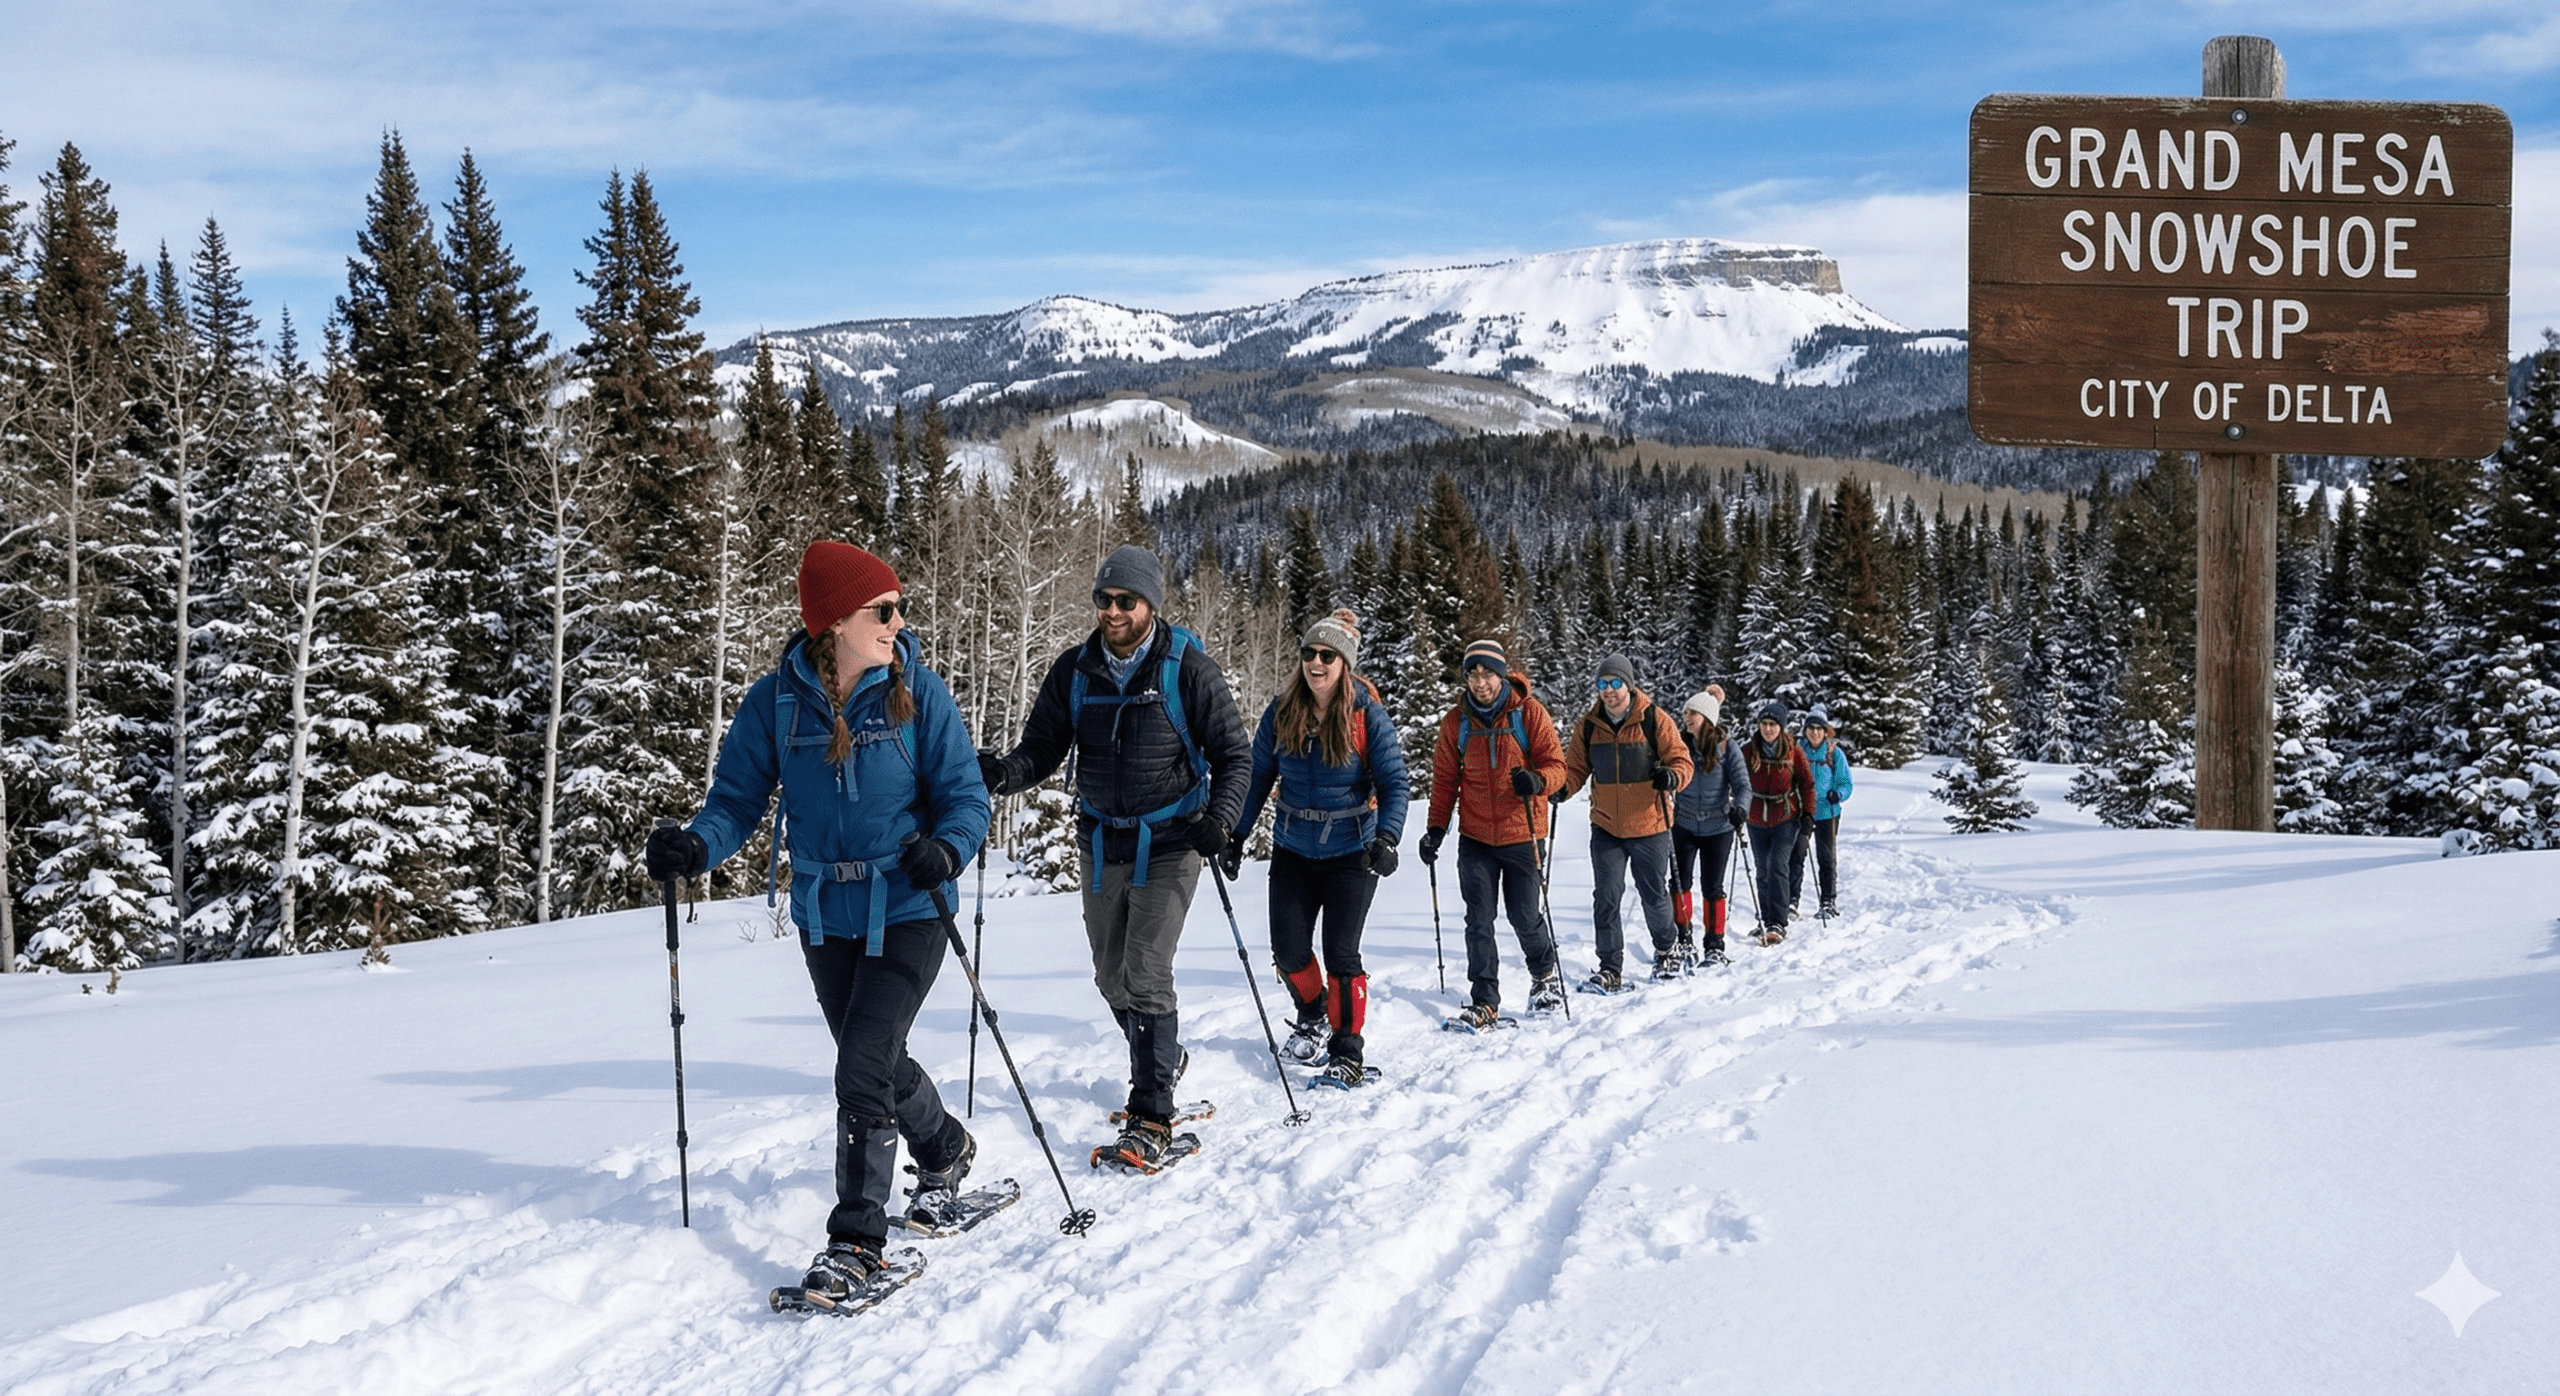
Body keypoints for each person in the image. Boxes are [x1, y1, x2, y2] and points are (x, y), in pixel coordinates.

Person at [643, 541, 990, 1305]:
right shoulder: (776, 703)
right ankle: (945, 1148)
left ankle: (857, 1244)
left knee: (862, 1062)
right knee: (875, 1058)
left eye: (899, 608)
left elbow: (968, 796)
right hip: (824, 913)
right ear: (835, 621)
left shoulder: (918, 694)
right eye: (884, 610)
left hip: (908, 904)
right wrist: (696, 845)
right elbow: (736, 801)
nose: (899, 622)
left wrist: (947, 848)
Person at [978, 545, 1250, 1169]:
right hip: (1102, 840)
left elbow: (1237, 756)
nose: (1112, 611)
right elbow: (1042, 749)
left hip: (1174, 839)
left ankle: (1151, 1113)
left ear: (1151, 604)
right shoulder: (1074, 671)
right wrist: (1003, 774)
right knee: (1110, 974)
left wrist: (1222, 821)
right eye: (1103, 600)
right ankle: (1163, 1053)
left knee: (1147, 971)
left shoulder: (1188, 670)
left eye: (1125, 601)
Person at [1226, 609, 1408, 1087]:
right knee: (1288, 951)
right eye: (1309, 653)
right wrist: (1236, 833)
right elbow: (1257, 775)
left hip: (1353, 852)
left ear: (1344, 663)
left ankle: (1347, 1051)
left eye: (1328, 655)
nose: (1317, 662)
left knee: (1341, 953)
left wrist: (1387, 837)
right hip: (1292, 848)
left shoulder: (1366, 715)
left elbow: (1394, 783)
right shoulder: (1283, 710)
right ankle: (1312, 1013)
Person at [1420, 639, 1569, 1027]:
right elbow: (1444, 781)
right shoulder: (1457, 722)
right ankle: (1484, 1000)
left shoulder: (1528, 713)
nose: (1480, 682)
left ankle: (1544, 976)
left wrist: (1536, 781)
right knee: (1478, 921)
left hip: (1523, 832)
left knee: (1524, 916)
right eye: (1473, 674)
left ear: (1502, 675)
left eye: (1487, 673)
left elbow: (1558, 767)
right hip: (1476, 838)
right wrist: (1436, 828)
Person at [1554, 653, 1691, 989]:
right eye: (1603, 684)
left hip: (1649, 824)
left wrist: (1672, 777)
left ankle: (1667, 950)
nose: (1609, 690)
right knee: (1606, 897)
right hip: (1606, 826)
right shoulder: (1588, 726)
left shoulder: (1654, 719)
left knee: (1653, 894)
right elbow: (1574, 769)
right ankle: (1610, 967)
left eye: (1616, 683)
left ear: (1629, 685)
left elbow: (1681, 759)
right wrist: (1561, 789)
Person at [1669, 685, 1751, 969]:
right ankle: (1683, 939)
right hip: (1683, 824)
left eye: (1692, 713)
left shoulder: (1728, 747)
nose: (1687, 717)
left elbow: (1742, 784)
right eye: (1686, 713)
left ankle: (1714, 944)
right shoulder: (1678, 744)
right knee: (1680, 883)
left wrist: (1741, 807)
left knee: (1712, 887)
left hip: (1719, 827)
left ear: (1706, 716)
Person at [1740, 700, 1816, 945]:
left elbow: (1807, 784)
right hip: (1755, 817)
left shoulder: (1793, 750)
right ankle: (1765, 918)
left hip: (1786, 816)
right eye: (1764, 723)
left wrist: (1809, 815)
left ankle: (1778, 922)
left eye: (1773, 724)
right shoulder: (1748, 750)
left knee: (1778, 866)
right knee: (1762, 869)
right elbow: (1737, 779)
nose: (1768, 729)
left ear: (1781, 727)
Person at [1789, 704, 1854, 918]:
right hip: (1801, 812)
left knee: (1826, 857)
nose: (1815, 732)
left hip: (1828, 812)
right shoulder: (1796, 751)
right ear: (1805, 730)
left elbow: (1846, 783)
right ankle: (1792, 901)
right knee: (1796, 856)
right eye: (1811, 728)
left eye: (1819, 728)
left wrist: (1838, 794)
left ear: (1826, 731)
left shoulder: (1834, 753)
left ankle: (1828, 901)